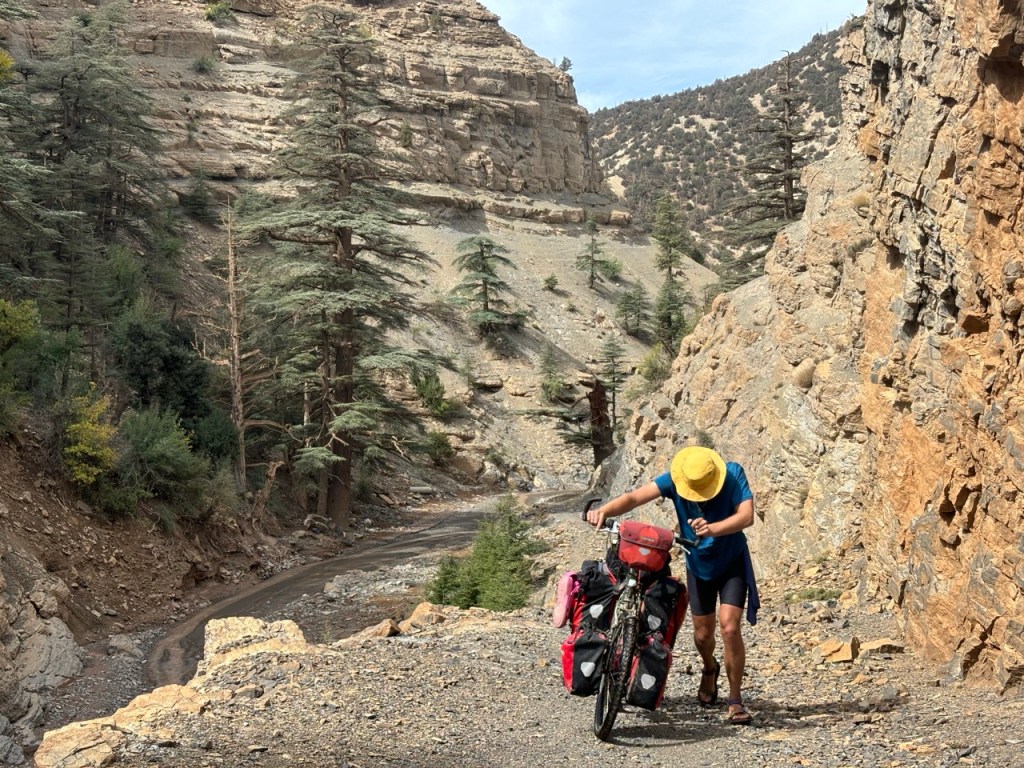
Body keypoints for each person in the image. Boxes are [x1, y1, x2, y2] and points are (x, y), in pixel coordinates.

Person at [586, 445, 757, 725]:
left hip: (732, 561)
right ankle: (709, 667)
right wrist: (603, 510)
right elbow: (634, 497)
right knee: (703, 635)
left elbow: (746, 516)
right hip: (698, 565)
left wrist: (712, 529)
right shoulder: (675, 480)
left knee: (729, 627)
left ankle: (735, 699)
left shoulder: (734, 474)